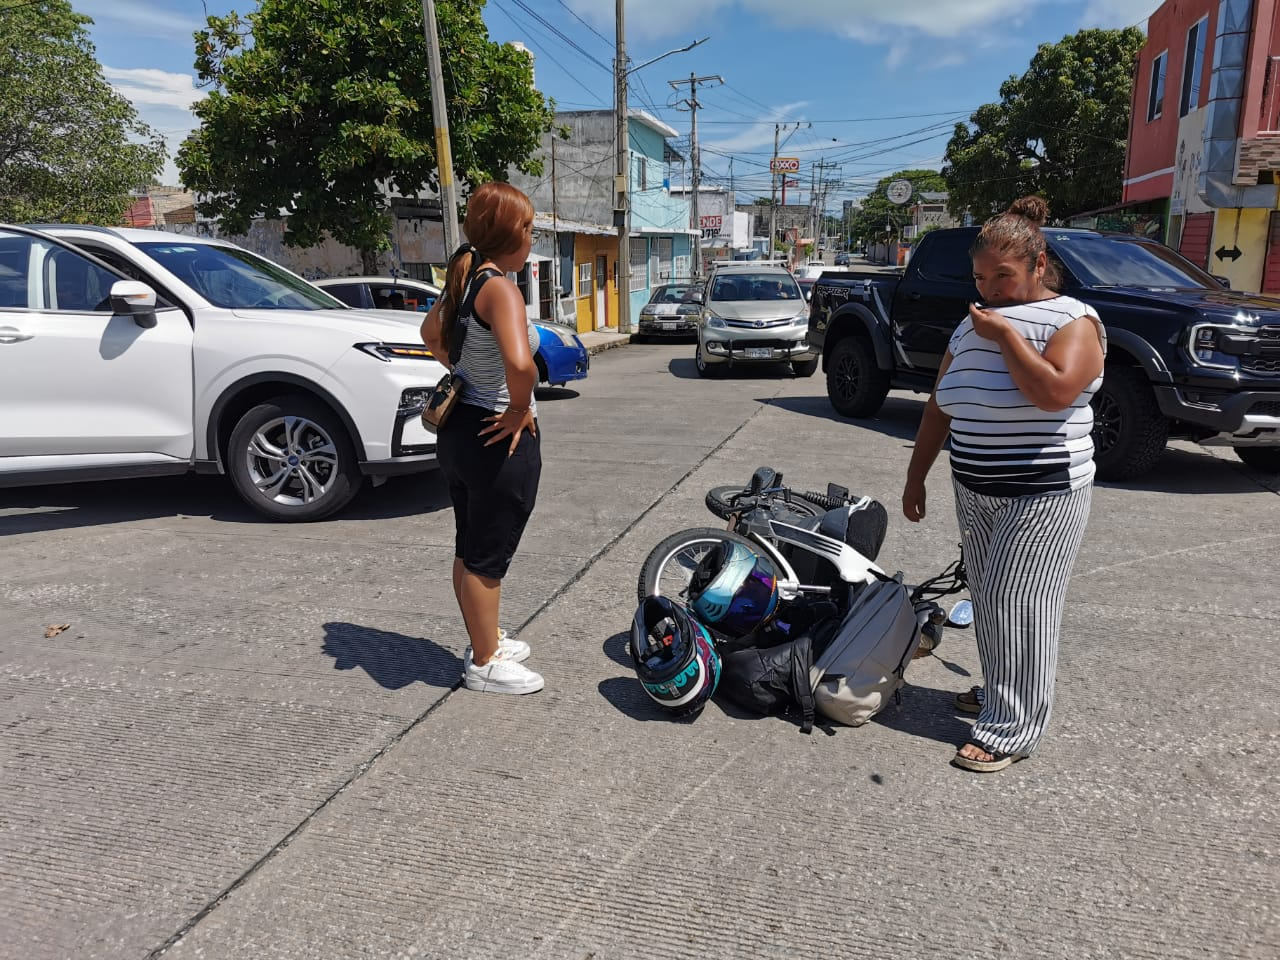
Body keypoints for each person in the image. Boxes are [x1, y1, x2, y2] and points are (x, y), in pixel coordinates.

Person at [901, 196, 1106, 773]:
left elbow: (1055, 393)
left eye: (1003, 276)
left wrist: (1006, 338)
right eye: (980, 277)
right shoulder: (971, 327)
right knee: (990, 602)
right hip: (975, 486)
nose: (989, 288)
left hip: (1043, 492)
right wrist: (916, 477)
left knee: (1025, 604)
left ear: (1039, 265)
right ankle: (999, 694)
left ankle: (1014, 728)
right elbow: (939, 408)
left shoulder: (1074, 320)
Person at [420, 182, 544, 695]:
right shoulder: (501, 288)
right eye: (530, 228)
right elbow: (520, 362)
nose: (533, 237)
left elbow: (430, 334)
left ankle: (483, 636)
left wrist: (466, 372)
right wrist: (517, 408)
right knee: (487, 557)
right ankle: (485, 661)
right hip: (495, 438)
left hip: (460, 433)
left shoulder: (466, 274)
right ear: (510, 233)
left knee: (469, 548)